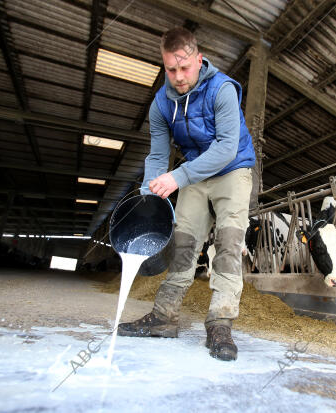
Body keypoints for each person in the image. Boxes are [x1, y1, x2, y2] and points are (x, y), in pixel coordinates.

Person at [117, 27, 255, 361]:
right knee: (184, 243)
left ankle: (220, 322)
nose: (178, 77)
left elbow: (225, 148)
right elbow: (156, 155)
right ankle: (164, 317)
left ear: (199, 59)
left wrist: (177, 178)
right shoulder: (161, 103)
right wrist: (149, 196)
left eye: (185, 68)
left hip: (232, 168)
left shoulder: (221, 89)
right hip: (193, 171)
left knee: (228, 241)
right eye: (171, 69)